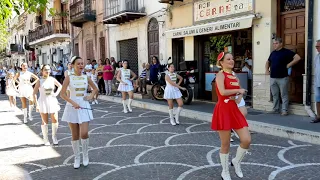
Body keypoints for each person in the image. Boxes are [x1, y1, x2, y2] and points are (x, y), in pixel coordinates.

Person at [212, 52, 251, 180]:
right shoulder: (220, 75)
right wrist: (237, 91)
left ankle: (236, 161)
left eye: (232, 58)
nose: (231, 61)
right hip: (223, 110)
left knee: (246, 140)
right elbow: (222, 92)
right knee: (226, 144)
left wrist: (239, 95)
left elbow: (238, 99)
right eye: (228, 59)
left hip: (234, 109)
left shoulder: (235, 77)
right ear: (221, 63)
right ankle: (225, 172)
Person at [60, 56, 98, 169]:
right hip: (72, 107)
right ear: (73, 65)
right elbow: (62, 94)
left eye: (82, 63)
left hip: (84, 105)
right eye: (78, 64)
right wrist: (73, 102)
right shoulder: (68, 78)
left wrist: (90, 96)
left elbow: (95, 89)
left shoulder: (86, 77)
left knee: (84, 133)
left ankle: (85, 155)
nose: (81, 65)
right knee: (75, 135)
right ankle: (77, 157)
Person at [265, 37, 301, 116]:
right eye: (274, 43)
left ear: (281, 44)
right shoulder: (273, 53)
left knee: (283, 94)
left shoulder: (286, 52)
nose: (274, 45)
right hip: (273, 77)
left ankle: (284, 110)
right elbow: (268, 61)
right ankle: (276, 109)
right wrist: (266, 70)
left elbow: (297, 58)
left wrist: (289, 64)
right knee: (274, 94)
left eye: (276, 43)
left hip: (283, 77)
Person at [33, 65, 62, 146]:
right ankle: (45, 138)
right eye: (46, 70)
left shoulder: (52, 79)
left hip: (52, 101)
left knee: (55, 119)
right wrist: (37, 105)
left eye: (49, 70)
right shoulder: (39, 81)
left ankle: (54, 136)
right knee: (45, 121)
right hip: (43, 101)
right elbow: (34, 93)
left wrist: (56, 94)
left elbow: (60, 86)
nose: (48, 71)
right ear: (42, 71)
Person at [311, 39, 320, 123]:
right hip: (317, 82)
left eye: (318, 46)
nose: (316, 48)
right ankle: (318, 116)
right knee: (318, 99)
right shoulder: (317, 57)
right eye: (316, 46)